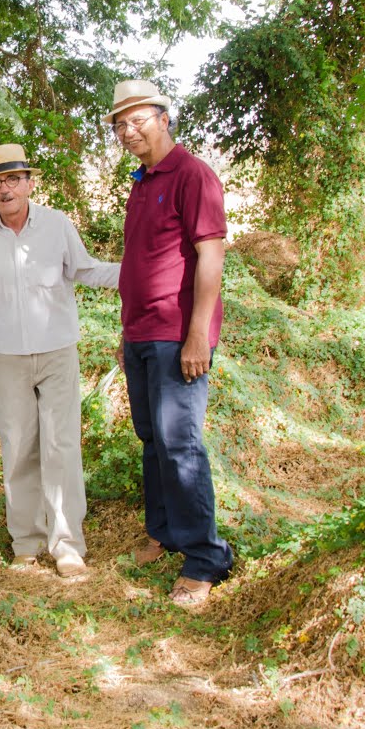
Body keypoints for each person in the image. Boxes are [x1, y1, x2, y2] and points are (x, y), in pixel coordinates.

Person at [0, 144, 118, 578]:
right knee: (18, 445)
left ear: (30, 182)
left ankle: (67, 544)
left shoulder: (56, 224)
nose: (4, 188)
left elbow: (84, 270)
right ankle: (25, 543)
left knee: (61, 444)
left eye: (13, 179)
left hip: (57, 352)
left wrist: (137, 272)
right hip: (8, 356)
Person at [105, 79, 234, 607]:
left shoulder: (192, 174)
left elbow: (210, 257)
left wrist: (198, 333)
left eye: (138, 119)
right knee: (151, 437)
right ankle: (163, 533)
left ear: (164, 117)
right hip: (140, 332)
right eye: (119, 124)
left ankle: (205, 557)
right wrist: (125, 330)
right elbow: (141, 263)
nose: (128, 130)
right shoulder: (141, 182)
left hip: (177, 335)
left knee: (180, 442)